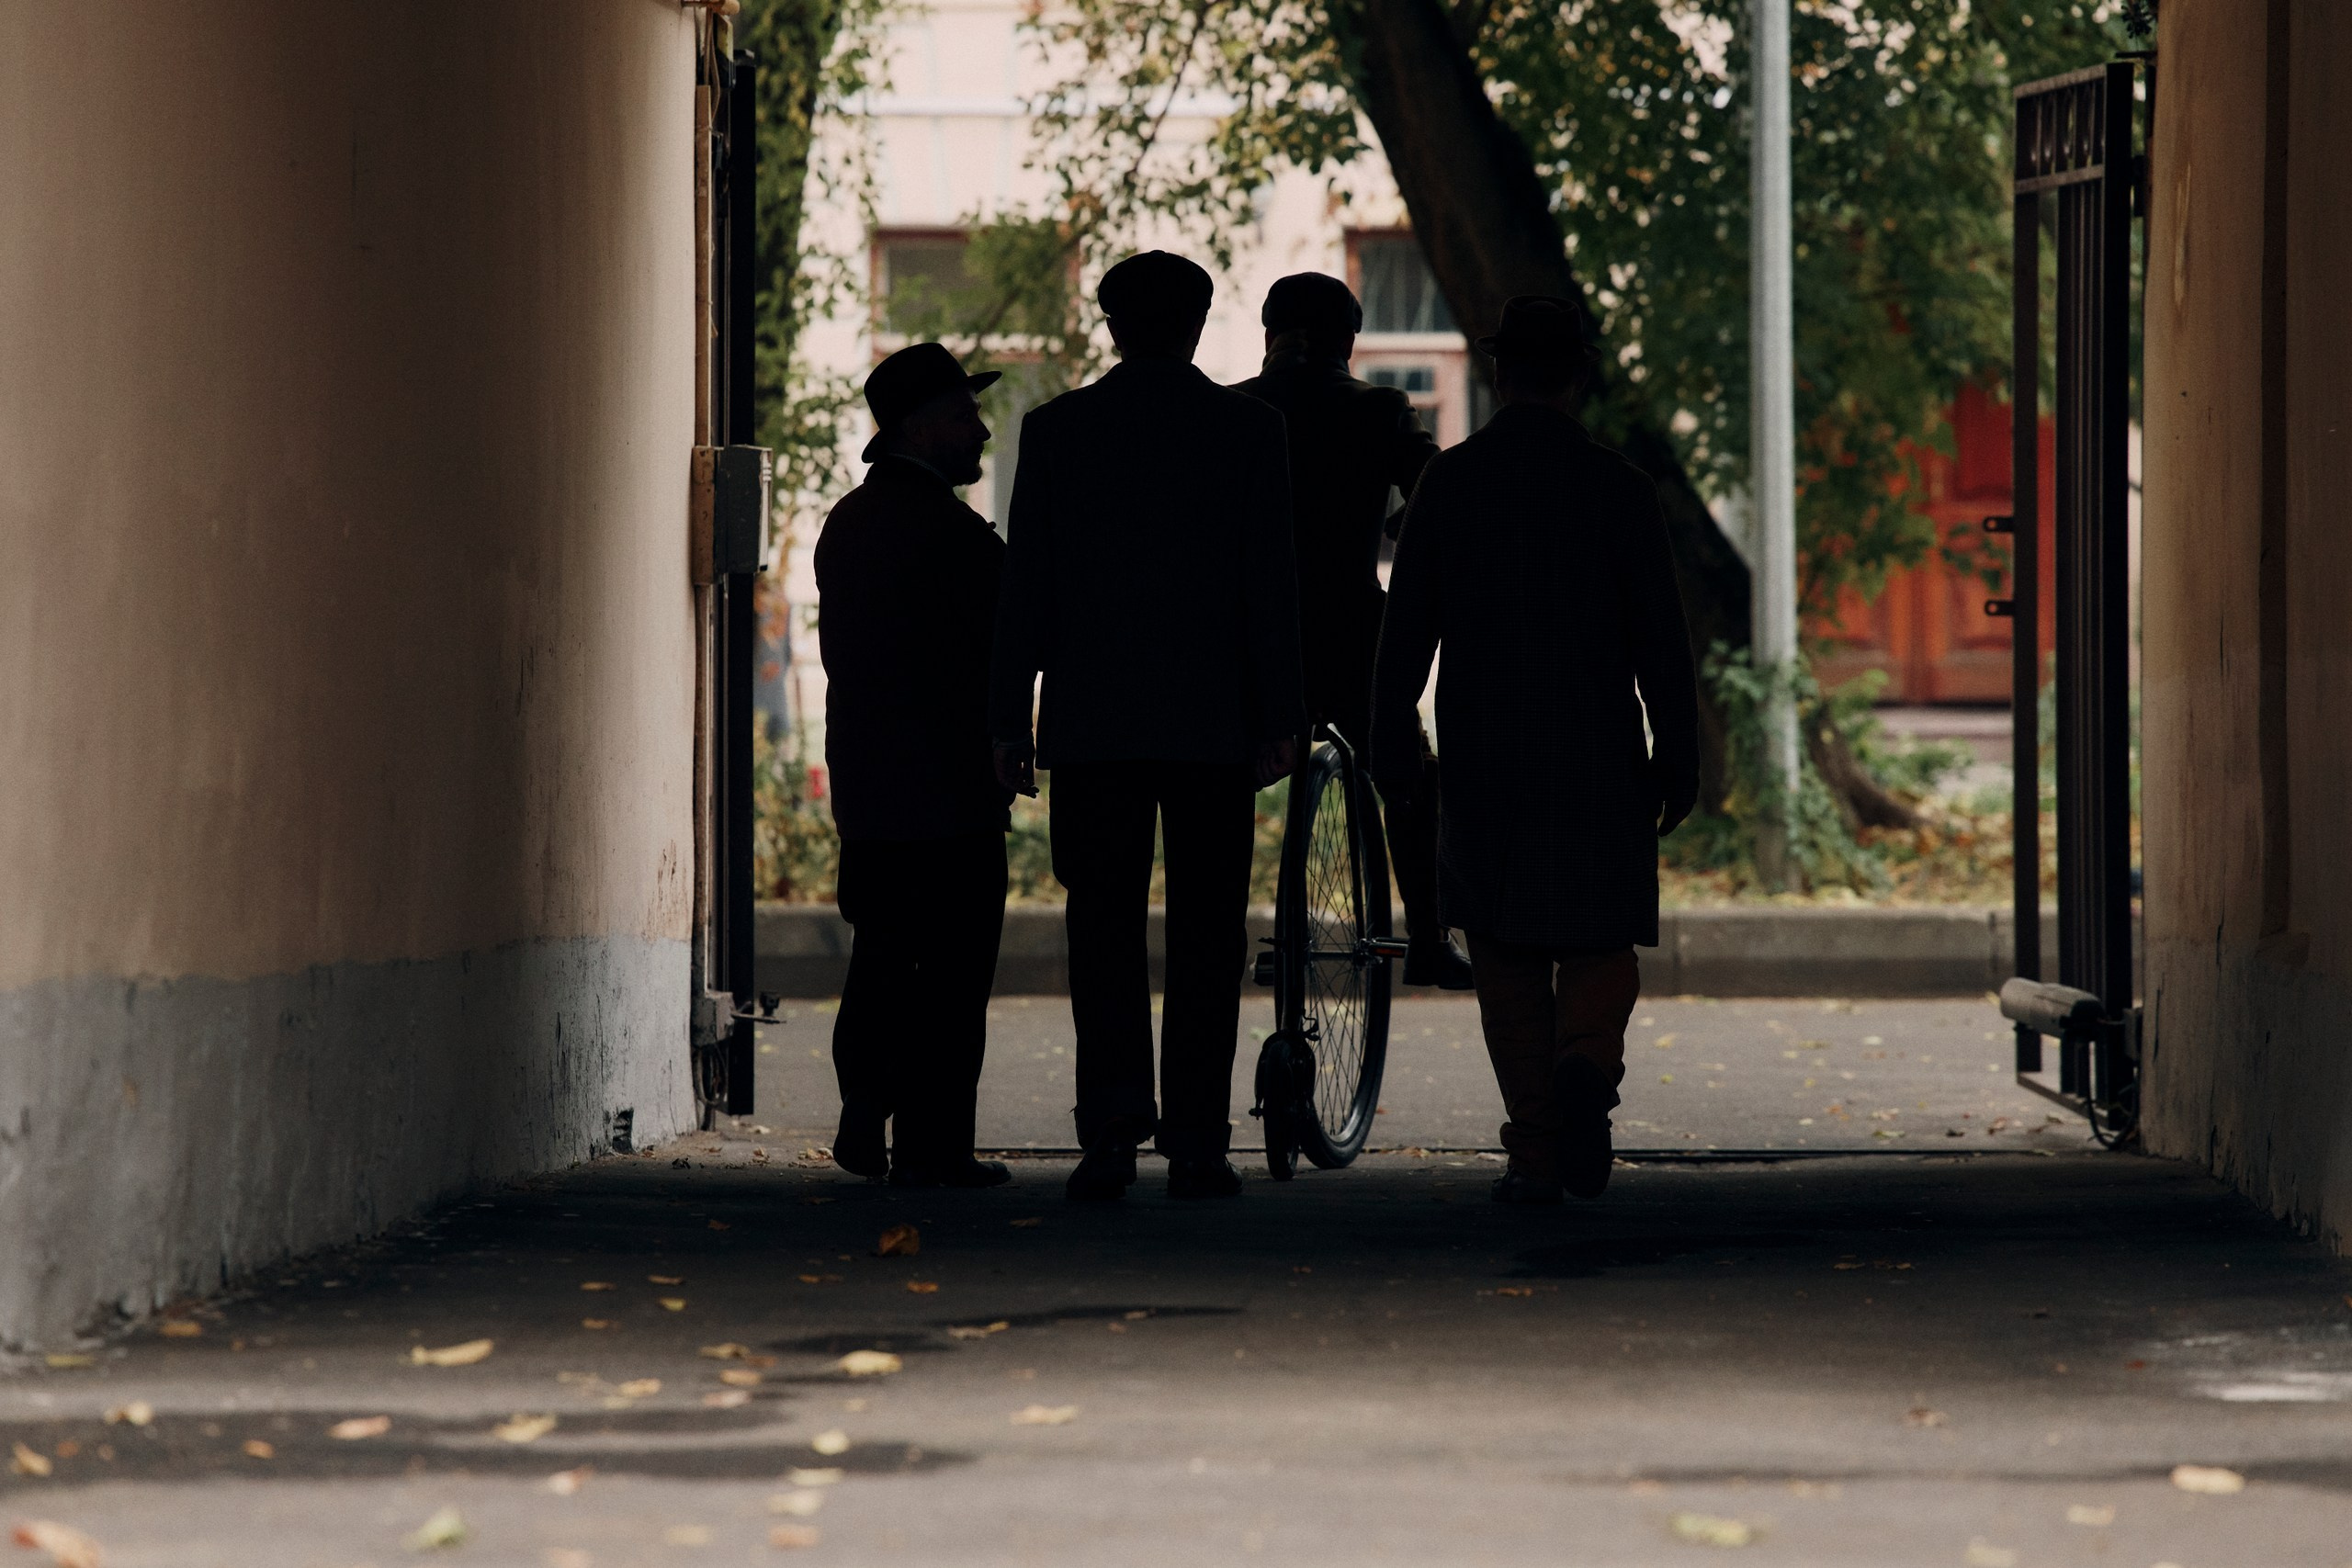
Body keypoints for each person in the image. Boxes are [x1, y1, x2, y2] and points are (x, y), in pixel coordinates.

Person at [1369, 295, 1700, 1206]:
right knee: (1599, 936)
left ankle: (1535, 1153)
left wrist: (1391, 736)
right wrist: (1677, 753)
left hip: (1486, 753)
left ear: (1495, 372)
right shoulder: (1619, 488)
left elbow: (1406, 632)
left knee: (1505, 956)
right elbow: (1662, 642)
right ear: (1578, 376)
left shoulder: (1452, 484)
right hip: (1596, 750)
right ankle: (1586, 1058)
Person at [989, 250, 1305, 1202]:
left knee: (1103, 931)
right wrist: (1279, 715)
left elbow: (1027, 588)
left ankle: (1113, 1130)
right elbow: (1269, 587)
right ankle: (1199, 1141)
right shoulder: (1249, 431)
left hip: (1095, 724)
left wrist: (1009, 719)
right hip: (1212, 724)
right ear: (1199, 325)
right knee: (1209, 933)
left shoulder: (1057, 431)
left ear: (1112, 326)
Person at [814, 342, 1015, 1189]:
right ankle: (934, 1146)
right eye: (967, 415)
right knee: (954, 972)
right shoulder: (959, 537)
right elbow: (1002, 650)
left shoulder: (847, 525)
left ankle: (865, 1099)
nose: (981, 431)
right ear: (923, 427)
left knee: (884, 949)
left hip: (869, 786)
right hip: (954, 787)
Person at [1233, 273, 1470, 988]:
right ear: (1347, 340)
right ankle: (1427, 937)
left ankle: (1218, 932)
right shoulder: (1379, 409)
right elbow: (1435, 488)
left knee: (1216, 782)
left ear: (1270, 334)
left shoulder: (1233, 409)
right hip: (1350, 638)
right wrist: (1397, 525)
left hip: (1248, 642)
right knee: (1408, 774)